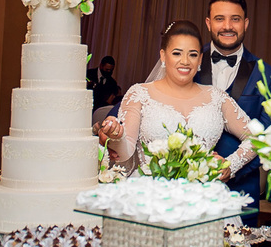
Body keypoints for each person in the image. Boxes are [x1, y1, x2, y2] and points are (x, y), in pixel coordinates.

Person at [97, 21, 257, 182]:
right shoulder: (139, 93)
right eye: (177, 53)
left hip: (202, 192)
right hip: (149, 191)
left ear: (200, 59)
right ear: (163, 55)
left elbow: (257, 137)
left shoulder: (217, 98)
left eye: (193, 54)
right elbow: (124, 152)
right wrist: (116, 136)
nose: (185, 61)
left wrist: (230, 164)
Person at [195, 0, 271, 225]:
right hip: (190, 190)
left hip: (241, 191)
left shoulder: (267, 74)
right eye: (220, 19)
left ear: (246, 23)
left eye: (236, 19)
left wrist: (233, 167)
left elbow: (268, 135)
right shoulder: (187, 62)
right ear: (209, 23)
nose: (227, 26)